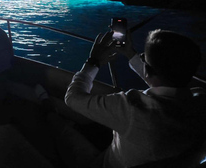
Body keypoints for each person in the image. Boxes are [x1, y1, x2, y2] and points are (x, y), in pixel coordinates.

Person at [63, 29, 206, 168]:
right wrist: (130, 54)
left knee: (58, 124)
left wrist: (93, 61)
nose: (142, 58)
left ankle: (46, 104)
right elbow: (164, 78)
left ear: (149, 70)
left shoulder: (131, 107)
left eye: (144, 57)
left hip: (107, 163)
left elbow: (72, 98)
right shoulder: (200, 102)